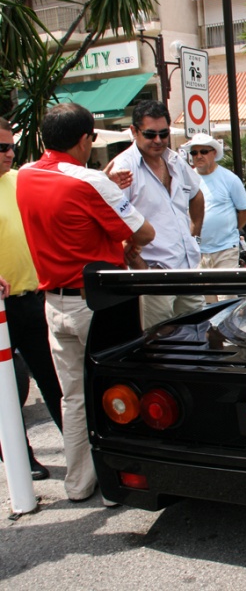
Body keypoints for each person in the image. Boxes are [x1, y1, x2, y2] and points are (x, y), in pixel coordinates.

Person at [16, 102, 155, 503]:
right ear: (83, 139)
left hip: (54, 303)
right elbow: (143, 233)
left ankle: (78, 483)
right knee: (115, 392)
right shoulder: (90, 182)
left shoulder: (25, 176)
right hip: (98, 303)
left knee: (73, 397)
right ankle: (114, 486)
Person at [0, 117, 64, 480]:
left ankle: (81, 453)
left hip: (33, 298)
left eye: (11, 146)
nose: (9, 153)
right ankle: (19, 459)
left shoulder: (20, 180)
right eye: (1, 148)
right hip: (1, 309)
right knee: (6, 388)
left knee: (53, 381)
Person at [110, 99, 204, 329]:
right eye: (150, 134)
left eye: (164, 134)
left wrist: (194, 234)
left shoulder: (174, 160)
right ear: (134, 131)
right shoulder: (123, 168)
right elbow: (112, 222)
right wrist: (139, 265)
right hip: (154, 274)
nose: (158, 140)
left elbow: (196, 195)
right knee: (160, 341)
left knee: (197, 334)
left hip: (188, 268)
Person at [183, 133, 246, 302]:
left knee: (227, 301)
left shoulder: (230, 179)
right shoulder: (187, 179)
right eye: (194, 152)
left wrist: (230, 230)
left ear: (214, 153)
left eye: (204, 151)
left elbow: (245, 211)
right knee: (206, 304)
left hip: (225, 249)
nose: (199, 156)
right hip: (198, 252)